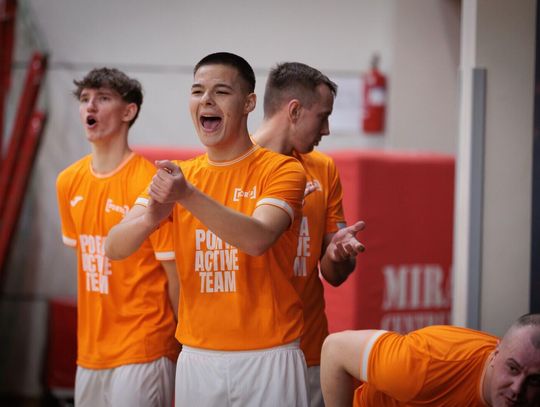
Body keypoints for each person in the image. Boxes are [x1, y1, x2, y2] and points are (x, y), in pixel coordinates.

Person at [105, 52, 309, 406]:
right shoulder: (181, 175)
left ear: (248, 103)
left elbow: (258, 238)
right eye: (197, 91)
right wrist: (152, 217)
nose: (207, 100)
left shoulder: (282, 170)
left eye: (221, 92)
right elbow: (114, 246)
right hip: (197, 356)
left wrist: (187, 196)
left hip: (269, 354)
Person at [55, 68, 180, 407]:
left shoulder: (150, 183)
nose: (90, 106)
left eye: (103, 98)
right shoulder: (67, 182)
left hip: (145, 345)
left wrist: (183, 339)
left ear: (128, 111)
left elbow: (175, 275)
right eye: (84, 99)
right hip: (91, 351)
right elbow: (88, 267)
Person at [253, 61, 365, 407]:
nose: (327, 130)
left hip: (308, 350)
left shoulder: (323, 169)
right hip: (247, 351)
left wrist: (337, 254)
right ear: (295, 111)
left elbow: (334, 274)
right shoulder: (235, 166)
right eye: (323, 117)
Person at [320, 313, 540, 406]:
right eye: (512, 369)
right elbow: (335, 349)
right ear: (496, 354)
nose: (517, 389)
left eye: (533, 380)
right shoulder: (425, 363)